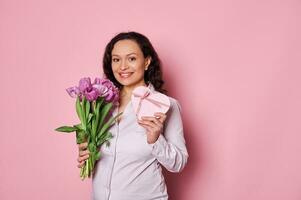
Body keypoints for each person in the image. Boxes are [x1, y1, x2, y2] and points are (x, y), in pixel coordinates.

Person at [77, 31, 188, 200]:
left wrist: (155, 140)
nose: (122, 67)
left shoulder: (166, 106)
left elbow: (178, 163)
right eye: (116, 59)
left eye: (131, 58)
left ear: (147, 62)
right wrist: (88, 154)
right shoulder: (100, 105)